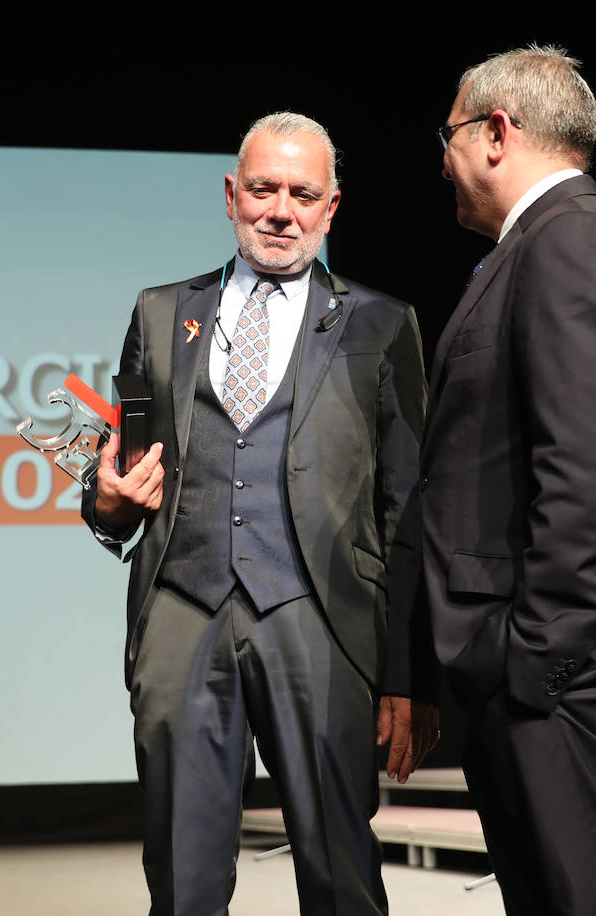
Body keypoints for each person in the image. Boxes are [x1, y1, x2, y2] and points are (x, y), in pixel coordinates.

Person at [81, 111, 440, 916]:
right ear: (232, 195)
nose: (281, 210)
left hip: (321, 619)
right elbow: (119, 476)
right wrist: (105, 504)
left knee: (340, 864)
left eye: (302, 193)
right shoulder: (160, 313)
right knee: (181, 874)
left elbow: (407, 505)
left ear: (331, 206)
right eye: (264, 190)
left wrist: (406, 673)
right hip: (182, 611)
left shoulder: (381, 325)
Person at [402, 46, 596, 914]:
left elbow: (588, 479)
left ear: (497, 133)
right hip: (557, 668)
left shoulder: (571, 244)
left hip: (572, 675)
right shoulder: (542, 245)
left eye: (449, 134)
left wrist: (534, 664)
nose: (443, 159)